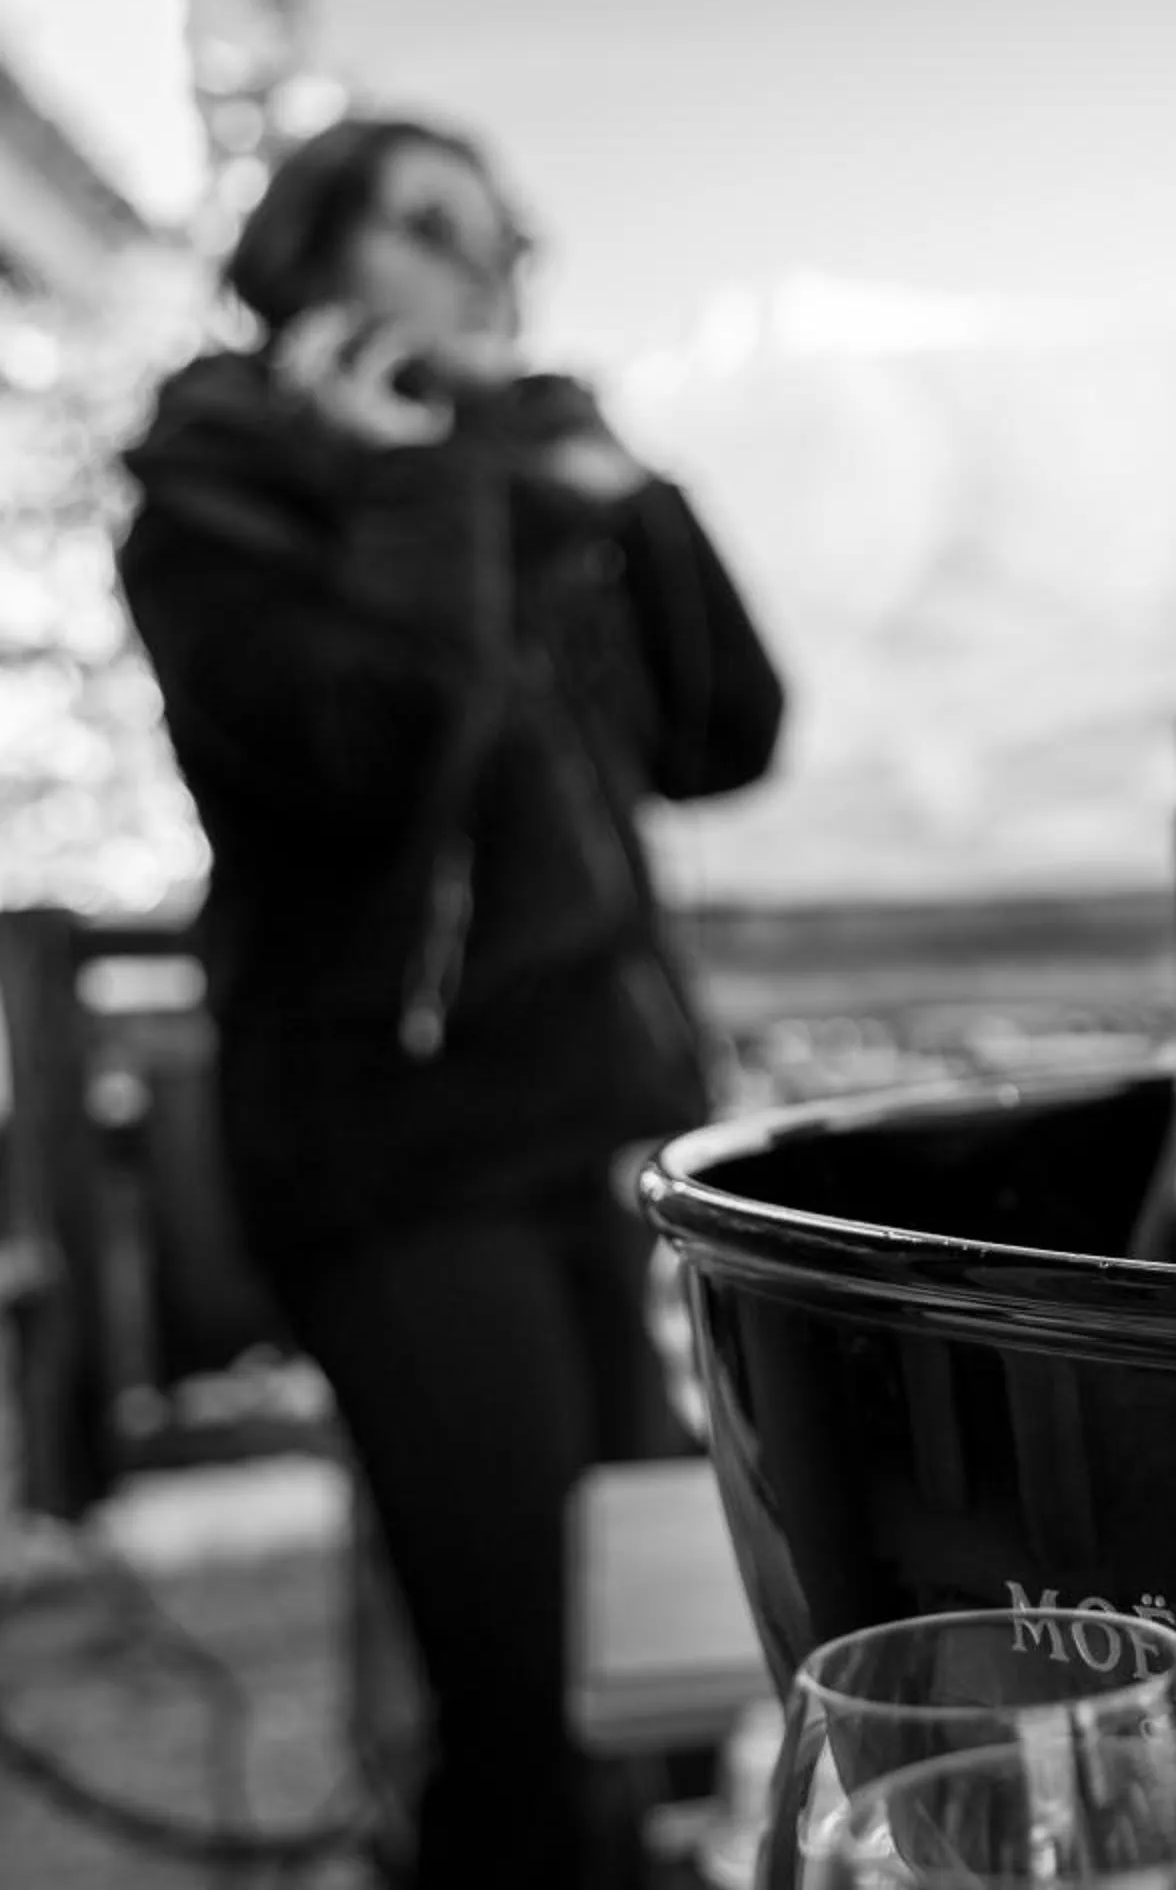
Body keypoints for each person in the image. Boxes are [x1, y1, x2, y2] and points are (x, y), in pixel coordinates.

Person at [114, 114, 786, 1890]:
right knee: (516, 1686)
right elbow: (353, 770)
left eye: (501, 235)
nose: (487, 268)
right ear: (307, 268)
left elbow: (727, 735)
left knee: (636, 1665)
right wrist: (420, 482)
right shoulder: (220, 496)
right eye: (427, 229)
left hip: (608, 1134)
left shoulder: (525, 483)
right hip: (398, 1156)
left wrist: (628, 490)